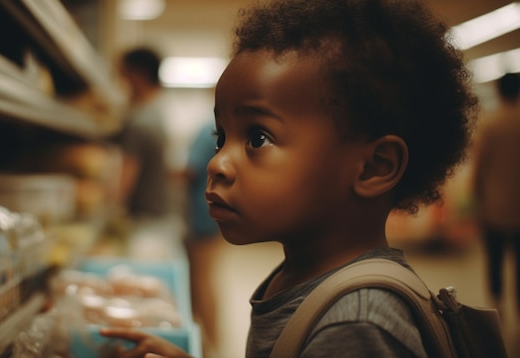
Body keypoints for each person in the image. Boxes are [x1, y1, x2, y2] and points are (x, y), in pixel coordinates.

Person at [100, 0, 478, 356]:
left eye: (257, 138)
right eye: (221, 138)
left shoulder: (355, 325)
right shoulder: (298, 275)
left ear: (374, 167)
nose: (217, 164)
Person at [112, 47, 181, 259]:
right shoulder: (159, 111)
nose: (121, 85)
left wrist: (108, 210)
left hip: (147, 225)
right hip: (163, 218)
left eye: (124, 76)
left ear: (138, 76)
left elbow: (125, 182)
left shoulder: (141, 122)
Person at [471, 72, 520, 315]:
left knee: (495, 260)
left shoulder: (490, 124)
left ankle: (497, 307)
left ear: (500, 91)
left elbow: (479, 168)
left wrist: (476, 198)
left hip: (494, 207)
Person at [183, 120, 223, 357]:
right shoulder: (218, 127)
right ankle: (210, 341)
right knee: (205, 278)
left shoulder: (207, 128)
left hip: (201, 214)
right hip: (209, 214)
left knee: (202, 280)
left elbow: (191, 169)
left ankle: (209, 343)